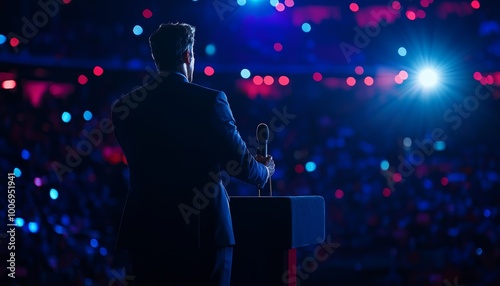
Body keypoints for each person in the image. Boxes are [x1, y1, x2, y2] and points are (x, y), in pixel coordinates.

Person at [111, 22, 275, 286]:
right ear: (188, 55)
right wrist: (264, 172)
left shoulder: (122, 108)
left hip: (146, 234)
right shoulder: (210, 101)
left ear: (156, 57)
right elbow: (240, 164)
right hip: (202, 233)